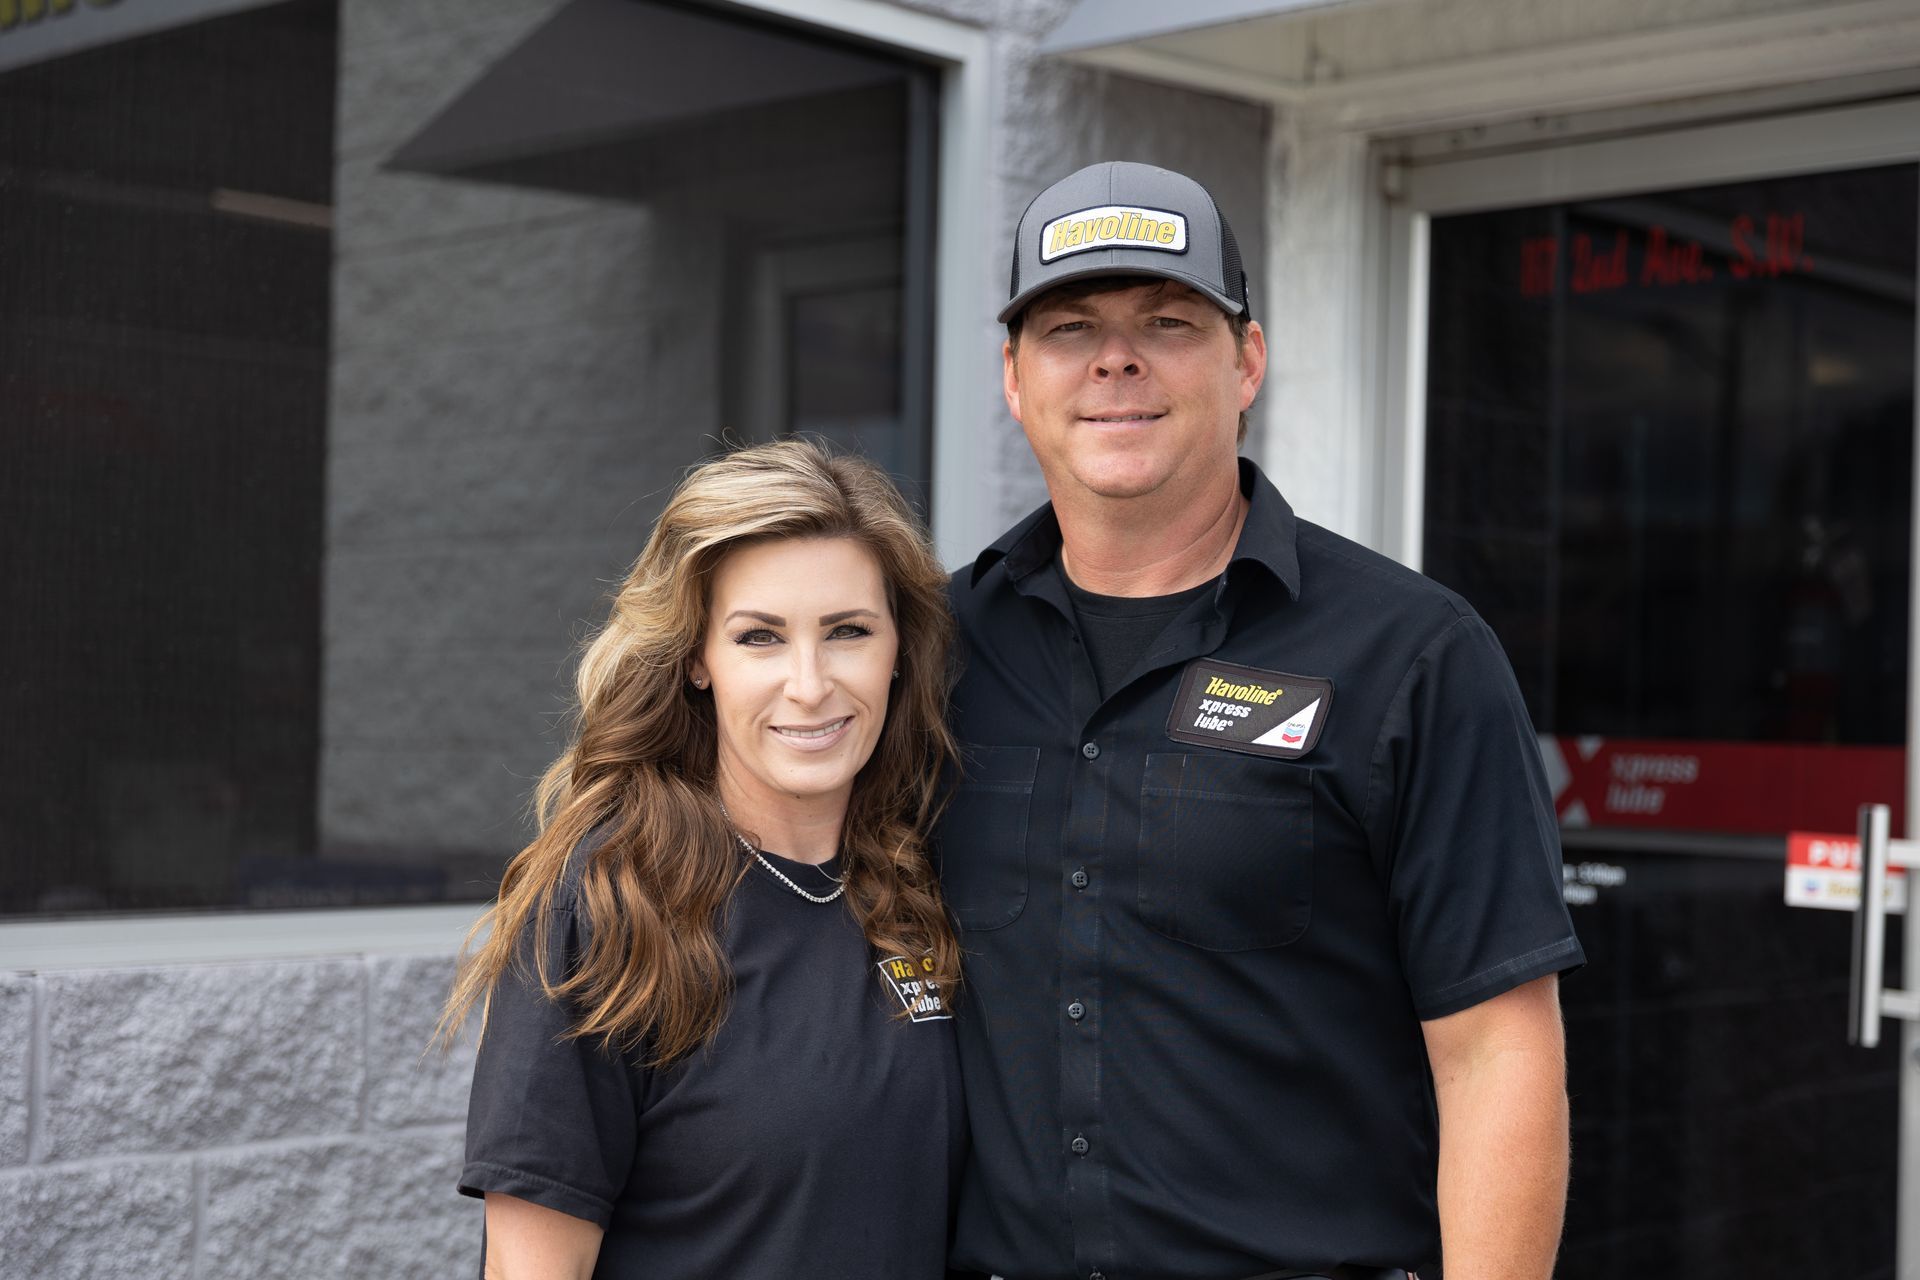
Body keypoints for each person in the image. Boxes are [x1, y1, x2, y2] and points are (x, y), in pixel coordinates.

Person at [939, 161, 1584, 1280]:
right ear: (1013, 375)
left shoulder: (1413, 654)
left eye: (1168, 320)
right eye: (1069, 325)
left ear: (1247, 360)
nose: (1115, 358)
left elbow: (1496, 1052)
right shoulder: (937, 649)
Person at [440, 439, 965, 1280]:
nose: (809, 683)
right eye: (760, 637)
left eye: (848, 632)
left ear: (899, 648)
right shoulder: (611, 905)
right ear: (696, 659)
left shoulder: (916, 878)